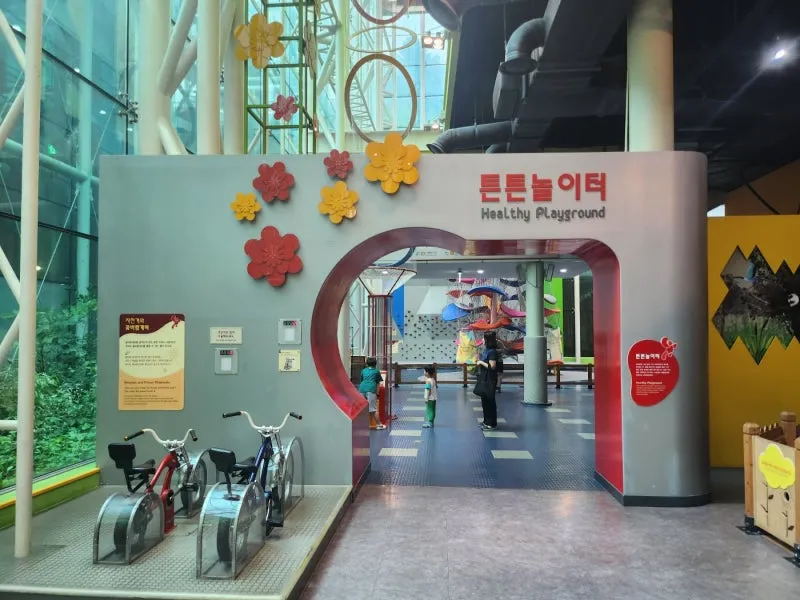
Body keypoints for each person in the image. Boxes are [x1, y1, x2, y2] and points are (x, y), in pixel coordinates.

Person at [476, 332, 499, 430]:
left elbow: (492, 366)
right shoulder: (486, 350)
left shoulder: (492, 352)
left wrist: (481, 362)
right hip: (484, 378)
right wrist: (478, 358)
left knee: (490, 401)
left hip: (490, 379)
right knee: (484, 401)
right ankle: (486, 421)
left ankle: (491, 423)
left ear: (488, 340)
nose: (482, 339)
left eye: (484, 338)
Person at [359, 357, 385, 430]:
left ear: (367, 364)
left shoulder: (363, 370)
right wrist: (377, 393)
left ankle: (361, 425)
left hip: (362, 389)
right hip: (371, 389)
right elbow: (378, 383)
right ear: (375, 364)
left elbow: (362, 380)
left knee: (362, 408)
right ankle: (379, 425)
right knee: (373, 409)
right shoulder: (376, 371)